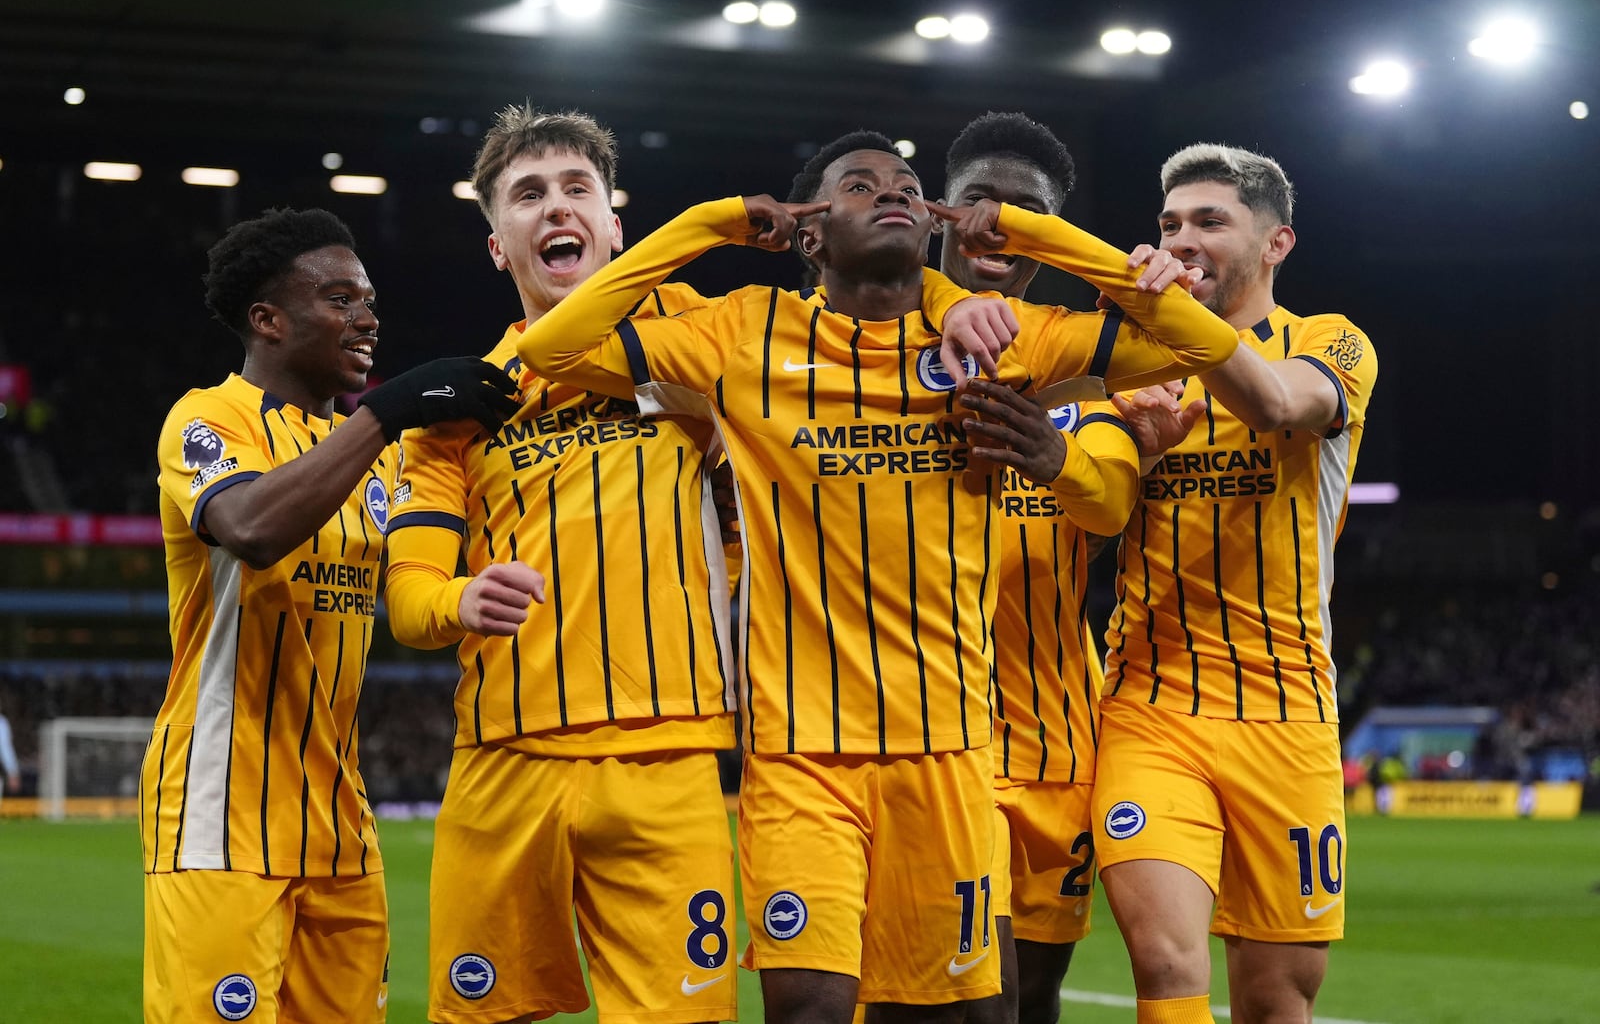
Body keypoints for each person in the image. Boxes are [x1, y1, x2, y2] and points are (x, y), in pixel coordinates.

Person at [517, 131, 1239, 1023]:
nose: (891, 191)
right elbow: (550, 345)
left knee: (963, 1015)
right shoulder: (742, 330)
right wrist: (710, 225)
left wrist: (1028, 232)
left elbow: (1200, 344)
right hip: (800, 761)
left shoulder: (1000, 343)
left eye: (905, 184)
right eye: (857, 185)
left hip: (948, 753)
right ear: (809, 233)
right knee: (812, 1005)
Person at [382, 105, 740, 1024]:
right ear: (499, 246)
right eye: (527, 196)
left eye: (577, 189)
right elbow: (410, 602)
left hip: (668, 756)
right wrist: (462, 595)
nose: (555, 210)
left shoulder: (701, 344)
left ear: (616, 225)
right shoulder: (458, 403)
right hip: (504, 767)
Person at [141, 207, 521, 1024]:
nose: (368, 317)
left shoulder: (377, 459)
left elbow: (419, 589)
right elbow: (251, 529)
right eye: (341, 299)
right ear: (268, 319)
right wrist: (385, 411)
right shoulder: (208, 418)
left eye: (370, 300)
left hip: (342, 827)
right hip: (220, 819)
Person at [1092, 144, 1379, 1024]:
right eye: (1169, 224)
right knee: (1167, 960)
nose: (1182, 239)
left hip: (1288, 717)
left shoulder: (1330, 341)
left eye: (1210, 221)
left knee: (1275, 995)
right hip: (1151, 710)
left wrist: (1173, 318)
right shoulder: (1127, 365)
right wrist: (1124, 451)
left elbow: (1279, 406)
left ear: (1276, 241)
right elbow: (1072, 521)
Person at [935, 112, 1154, 1024]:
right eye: (980, 201)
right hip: (934, 747)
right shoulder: (872, 349)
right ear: (943, 212)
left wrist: (1050, 457)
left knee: (1032, 997)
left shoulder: (1079, 370)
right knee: (926, 994)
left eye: (1028, 212)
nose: (998, 224)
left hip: (1056, 752)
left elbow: (1109, 503)